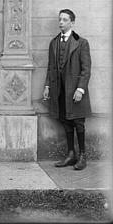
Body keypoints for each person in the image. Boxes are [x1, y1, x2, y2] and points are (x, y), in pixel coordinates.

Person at [43, 9, 92, 170]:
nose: (61, 22)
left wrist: (80, 89)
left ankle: (83, 156)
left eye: (64, 20)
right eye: (60, 19)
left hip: (75, 91)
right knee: (65, 121)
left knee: (78, 123)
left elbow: (86, 69)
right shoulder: (54, 42)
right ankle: (71, 155)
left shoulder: (81, 42)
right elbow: (50, 67)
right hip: (59, 90)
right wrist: (47, 86)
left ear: (72, 22)